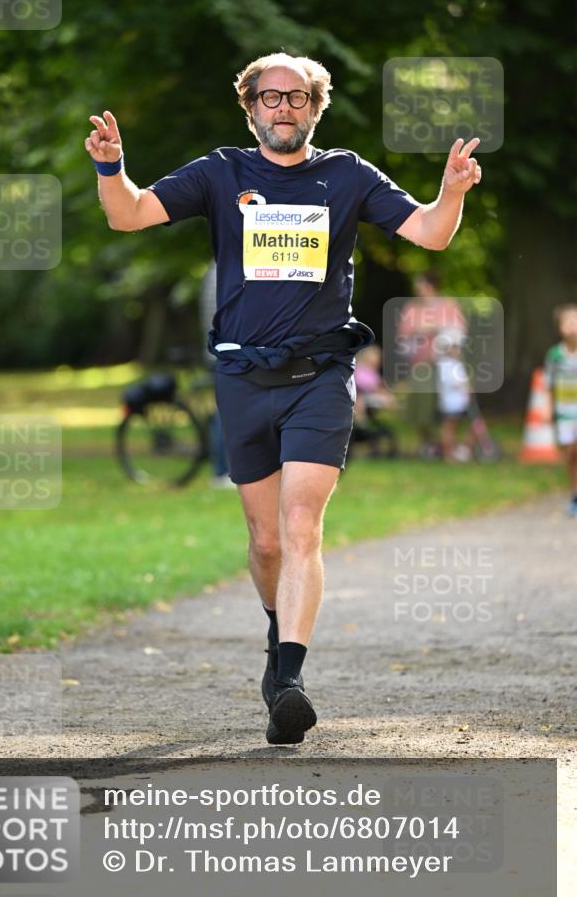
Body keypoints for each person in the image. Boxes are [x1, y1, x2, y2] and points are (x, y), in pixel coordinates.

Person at [84, 51, 482, 745]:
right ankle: (278, 637)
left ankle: (290, 680)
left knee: (301, 526)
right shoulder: (220, 173)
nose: (282, 109)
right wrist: (111, 168)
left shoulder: (347, 174)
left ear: (314, 107)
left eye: (296, 98)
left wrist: (449, 191)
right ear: (250, 108)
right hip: (242, 378)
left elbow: (428, 231)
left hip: (320, 376)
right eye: (269, 98)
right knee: (265, 541)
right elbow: (129, 216)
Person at [396, 271, 466, 454]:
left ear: (431, 285)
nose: (417, 288)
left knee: (449, 406)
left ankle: (447, 445)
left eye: (420, 284)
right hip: (421, 364)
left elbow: (458, 332)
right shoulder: (411, 308)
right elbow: (403, 339)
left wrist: (435, 328)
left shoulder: (448, 305)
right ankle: (426, 443)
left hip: (445, 364)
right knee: (422, 405)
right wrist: (419, 333)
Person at [199, 261, 235, 489]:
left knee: (224, 411)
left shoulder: (213, 270)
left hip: (218, 350)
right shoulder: (224, 271)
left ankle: (223, 470)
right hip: (225, 351)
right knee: (225, 413)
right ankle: (222, 470)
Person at [544, 303, 577, 516]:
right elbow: (549, 385)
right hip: (564, 411)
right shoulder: (554, 355)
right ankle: (574, 494)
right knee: (570, 455)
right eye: (569, 322)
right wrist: (549, 410)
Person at [435, 329, 474, 462]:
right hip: (450, 402)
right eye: (455, 347)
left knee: (457, 427)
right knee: (449, 428)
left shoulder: (455, 364)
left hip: (459, 401)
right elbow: (452, 382)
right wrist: (464, 385)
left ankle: (457, 452)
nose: (458, 350)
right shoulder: (445, 364)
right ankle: (448, 454)